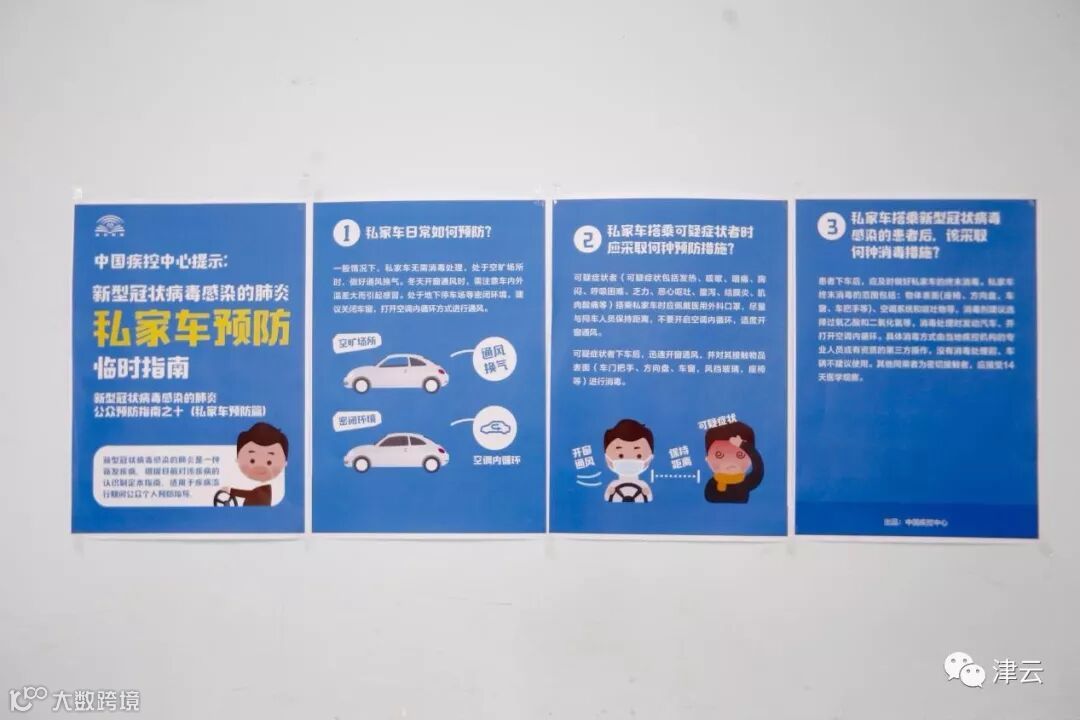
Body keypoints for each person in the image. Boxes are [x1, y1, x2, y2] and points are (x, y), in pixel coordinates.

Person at [219, 422, 288, 506]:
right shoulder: (253, 483)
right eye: (252, 460)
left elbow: (252, 494)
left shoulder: (268, 487)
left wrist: (231, 491)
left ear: (285, 463)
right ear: (238, 459)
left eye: (269, 462)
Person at [703, 420, 763, 503]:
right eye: (719, 455)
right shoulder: (712, 484)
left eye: (740, 455)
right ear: (708, 460)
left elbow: (758, 469)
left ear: (750, 458)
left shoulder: (746, 482)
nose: (730, 461)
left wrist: (743, 445)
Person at [601, 419, 654, 503]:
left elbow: (648, 497)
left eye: (638, 455)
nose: (628, 460)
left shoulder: (643, 485)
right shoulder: (613, 485)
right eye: (620, 455)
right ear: (606, 457)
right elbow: (608, 497)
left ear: (650, 457)